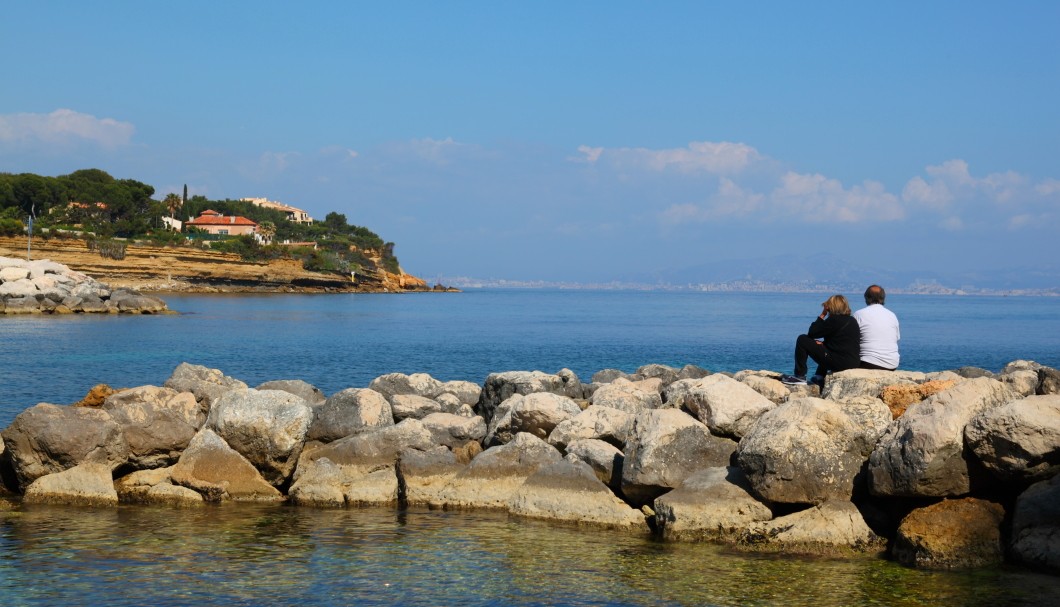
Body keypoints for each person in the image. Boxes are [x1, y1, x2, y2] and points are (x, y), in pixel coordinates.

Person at [780, 294, 861, 386]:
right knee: (823, 347)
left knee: (802, 339)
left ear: (831, 307)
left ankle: (800, 376)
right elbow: (841, 343)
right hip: (853, 362)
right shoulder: (852, 321)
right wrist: (824, 344)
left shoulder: (833, 320)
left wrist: (822, 315)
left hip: (840, 363)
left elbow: (812, 333)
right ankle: (819, 376)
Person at [853, 284, 900, 370]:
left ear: (866, 298)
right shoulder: (892, 315)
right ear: (883, 298)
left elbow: (851, 340)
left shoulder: (859, 314)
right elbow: (896, 338)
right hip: (892, 364)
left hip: (867, 363)